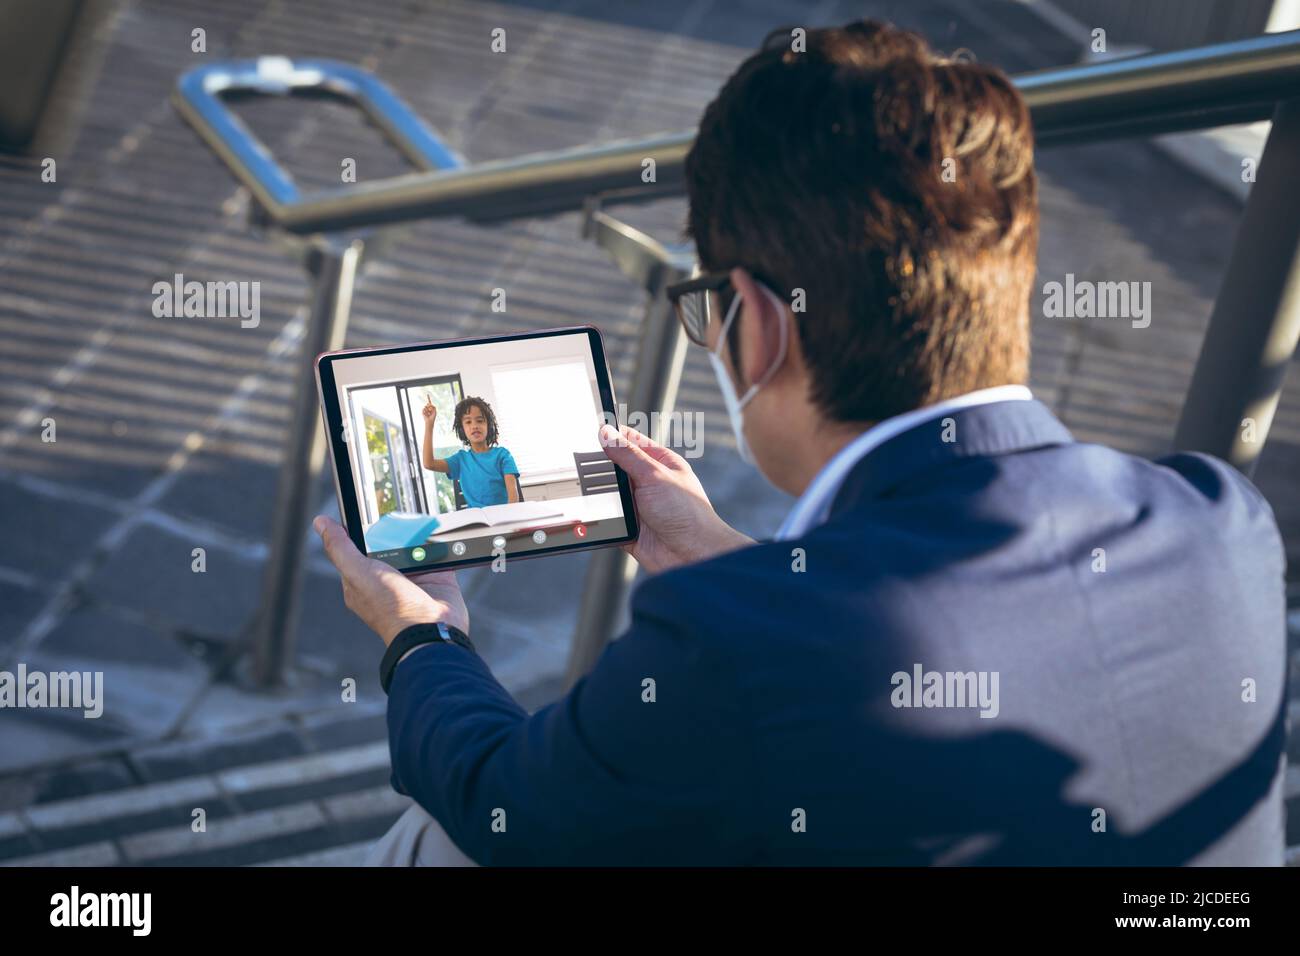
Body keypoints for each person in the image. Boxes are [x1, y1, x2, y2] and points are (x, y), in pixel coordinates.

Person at [314, 20, 1287, 865]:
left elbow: (507, 808)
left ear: (758, 322)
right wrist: (721, 553)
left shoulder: (739, 643)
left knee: (437, 845)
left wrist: (419, 635)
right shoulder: (1220, 516)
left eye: (707, 312)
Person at [421, 395, 520, 508]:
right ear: (462, 429)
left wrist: (509, 519)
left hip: (503, 518)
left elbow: (513, 496)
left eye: (480, 420)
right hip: (477, 521)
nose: (474, 426)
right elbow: (429, 463)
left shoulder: (503, 455)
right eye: (468, 422)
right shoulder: (460, 460)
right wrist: (429, 424)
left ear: (489, 425)